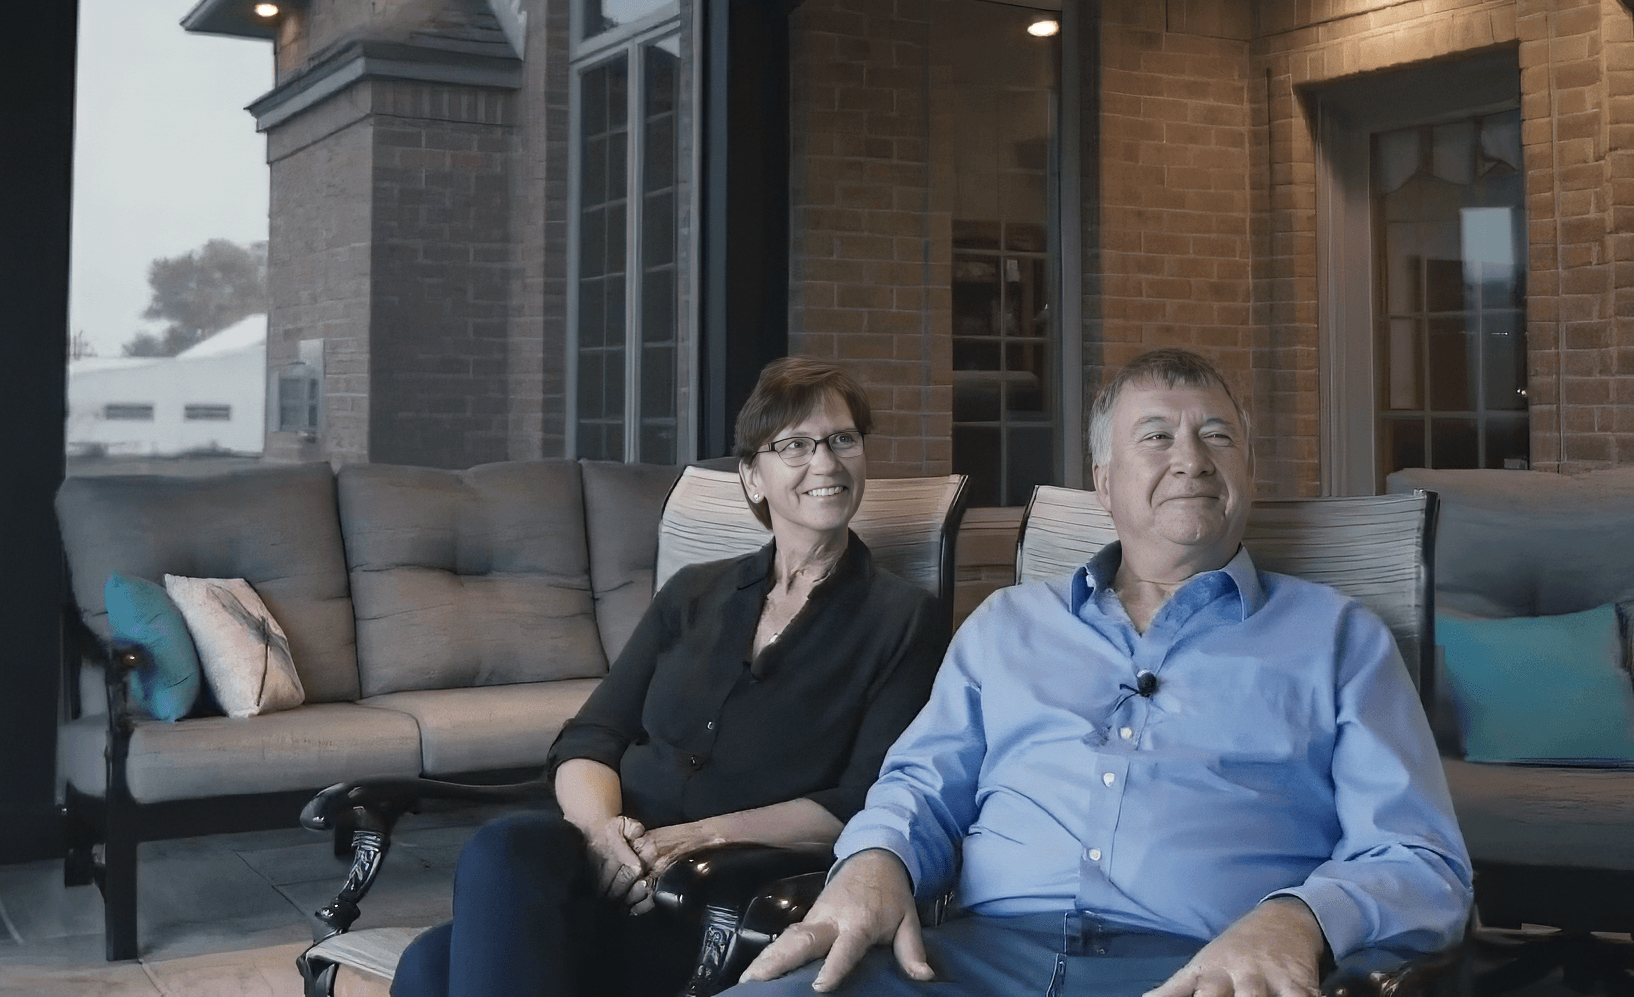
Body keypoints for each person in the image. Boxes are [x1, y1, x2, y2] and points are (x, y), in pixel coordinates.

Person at [739, 347, 1472, 997]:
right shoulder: (1005, 625)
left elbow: (1418, 858)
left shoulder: (1339, 639)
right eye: (1155, 437)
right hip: (967, 961)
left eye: (1217, 435)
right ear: (1104, 481)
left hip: (1205, 969)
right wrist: (874, 861)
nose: (1191, 458)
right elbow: (919, 788)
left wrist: (1298, 917)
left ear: (1248, 469)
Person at [391, 357, 950, 997]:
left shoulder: (904, 619)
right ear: (753, 477)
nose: (824, 463)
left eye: (842, 439)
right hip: (614, 868)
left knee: (431, 970)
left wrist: (702, 837)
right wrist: (605, 838)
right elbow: (591, 736)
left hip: (722, 897)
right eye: (794, 445)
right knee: (505, 849)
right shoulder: (695, 592)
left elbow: (864, 799)